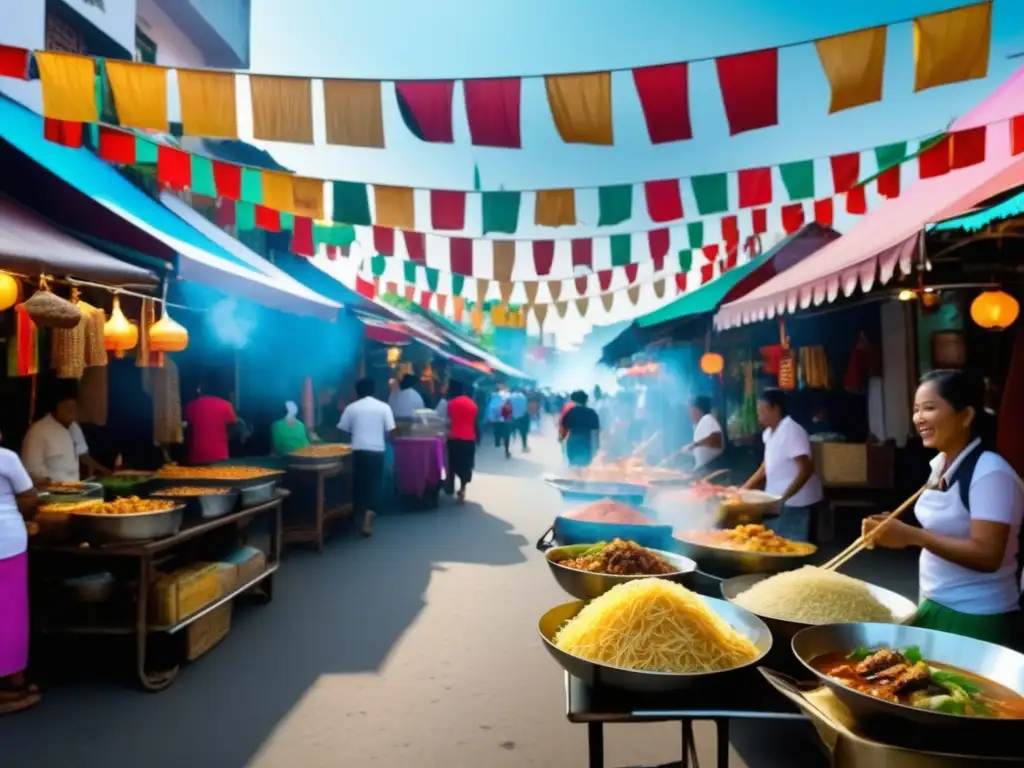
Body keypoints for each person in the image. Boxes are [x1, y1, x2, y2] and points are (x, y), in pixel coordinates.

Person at [863, 370, 1024, 648]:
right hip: (934, 600)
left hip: (976, 616)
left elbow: (988, 555)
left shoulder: (990, 472)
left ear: (966, 416)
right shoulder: (940, 464)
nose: (919, 418)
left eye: (929, 408)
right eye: (916, 409)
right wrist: (891, 527)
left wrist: (912, 536)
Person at [741, 388, 824, 542]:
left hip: (795, 503)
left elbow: (806, 469)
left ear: (775, 409)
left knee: (792, 548)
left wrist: (783, 499)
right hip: (776, 501)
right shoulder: (769, 433)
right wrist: (744, 489)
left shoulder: (791, 430)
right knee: (774, 546)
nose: (758, 414)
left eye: (762, 409)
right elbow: (767, 464)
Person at [0, 429, 39, 715]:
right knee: (9, 613)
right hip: (6, 543)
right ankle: (12, 684)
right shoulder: (6, 458)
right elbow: (29, 499)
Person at [338, 378, 395, 537]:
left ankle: (359, 515)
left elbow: (343, 430)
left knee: (359, 484)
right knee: (375, 484)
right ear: (374, 390)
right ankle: (369, 514)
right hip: (377, 450)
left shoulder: (351, 408)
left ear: (357, 391)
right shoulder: (384, 407)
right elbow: (390, 431)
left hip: (358, 451)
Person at [22, 386, 109, 484]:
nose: (72, 413)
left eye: (74, 409)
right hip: (51, 492)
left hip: (74, 488)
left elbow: (83, 455)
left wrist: (107, 472)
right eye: (68, 409)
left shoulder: (74, 427)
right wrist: (54, 486)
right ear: (57, 407)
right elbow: (32, 469)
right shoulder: (38, 430)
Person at [183, 381, 238, 466]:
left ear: (200, 391)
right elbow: (234, 427)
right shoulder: (226, 405)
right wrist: (225, 438)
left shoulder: (190, 406)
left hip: (196, 456)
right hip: (220, 455)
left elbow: (185, 428)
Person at [444, 381, 478, 503]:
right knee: (466, 464)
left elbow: (447, 421)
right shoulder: (473, 405)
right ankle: (463, 487)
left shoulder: (451, 404)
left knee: (452, 464)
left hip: (454, 438)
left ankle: (450, 487)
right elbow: (475, 423)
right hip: (469, 439)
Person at [560, 390, 601, 470]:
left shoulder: (571, 411)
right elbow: (595, 432)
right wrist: (596, 447)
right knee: (585, 467)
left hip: (573, 442)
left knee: (573, 467)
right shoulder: (592, 413)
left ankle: (575, 480)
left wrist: (562, 442)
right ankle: (583, 481)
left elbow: (564, 428)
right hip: (586, 442)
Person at [685, 395, 724, 471]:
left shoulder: (707, 419)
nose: (689, 414)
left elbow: (716, 439)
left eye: (690, 410)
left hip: (710, 469)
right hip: (703, 469)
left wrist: (694, 445)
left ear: (697, 410)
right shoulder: (700, 424)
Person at [509, 388, 530, 453]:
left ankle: (509, 447)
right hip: (523, 417)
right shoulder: (525, 397)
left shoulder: (510, 396)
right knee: (524, 434)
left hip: (512, 417)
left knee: (510, 432)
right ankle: (524, 446)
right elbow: (527, 408)